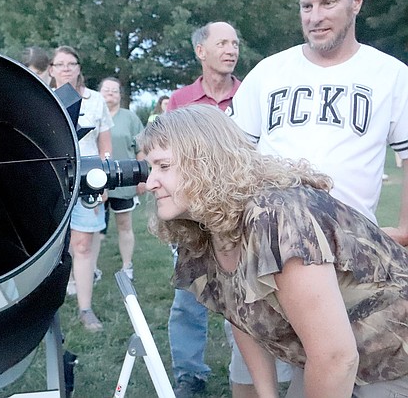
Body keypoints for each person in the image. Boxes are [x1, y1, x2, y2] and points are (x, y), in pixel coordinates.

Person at [141, 104, 408, 398]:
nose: (150, 182)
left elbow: (335, 358)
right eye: (151, 167)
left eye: (163, 166)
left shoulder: (275, 217)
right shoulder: (205, 228)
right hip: (331, 354)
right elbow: (241, 313)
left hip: (395, 354)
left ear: (206, 163)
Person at [230, 0, 408, 394]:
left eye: (328, 3)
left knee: (340, 368)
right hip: (265, 257)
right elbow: (232, 160)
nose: (315, 17)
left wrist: (403, 230)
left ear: (357, 0)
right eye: (306, 6)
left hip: (347, 264)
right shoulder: (268, 73)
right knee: (251, 382)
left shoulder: (391, 77)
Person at [164, 21, 242, 397]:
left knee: (244, 297)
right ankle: (189, 374)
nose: (231, 50)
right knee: (188, 299)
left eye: (234, 43)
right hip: (193, 221)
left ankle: (244, 369)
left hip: (238, 217)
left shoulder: (250, 95)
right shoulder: (179, 101)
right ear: (201, 51)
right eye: (222, 43)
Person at [49, 45, 113, 332]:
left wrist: (106, 180)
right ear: (51, 69)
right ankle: (44, 308)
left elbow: (105, 146)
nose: (65, 68)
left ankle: (85, 308)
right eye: (60, 64)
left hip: (86, 180)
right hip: (50, 184)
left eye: (71, 63)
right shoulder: (41, 99)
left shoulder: (96, 101)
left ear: (79, 69)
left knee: (84, 244)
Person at [98, 77, 145, 280]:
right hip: (97, 182)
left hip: (124, 181)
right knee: (95, 230)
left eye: (115, 91)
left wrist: (142, 177)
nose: (110, 93)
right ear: (99, 92)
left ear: (120, 95)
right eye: (106, 89)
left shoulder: (130, 118)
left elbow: (141, 148)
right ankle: (91, 268)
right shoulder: (93, 115)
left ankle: (127, 266)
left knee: (125, 225)